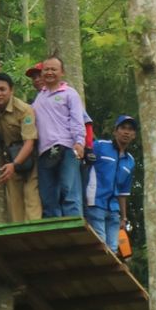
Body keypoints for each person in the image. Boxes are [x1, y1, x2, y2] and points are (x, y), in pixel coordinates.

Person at [0, 72, 42, 221]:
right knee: (14, 205)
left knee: (32, 200)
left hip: (30, 157)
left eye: (2, 89)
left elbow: (29, 142)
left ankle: (35, 237)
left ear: (11, 90)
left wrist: (15, 164)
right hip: (9, 157)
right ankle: (19, 241)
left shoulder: (24, 110)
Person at [32, 56, 86, 217]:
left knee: (69, 190)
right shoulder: (39, 97)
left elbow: (78, 119)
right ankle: (54, 231)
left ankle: (74, 228)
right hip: (44, 152)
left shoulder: (70, 93)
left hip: (67, 147)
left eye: (53, 69)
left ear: (62, 72)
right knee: (48, 196)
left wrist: (79, 142)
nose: (49, 72)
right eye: (46, 69)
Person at [84, 115, 138, 253]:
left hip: (114, 210)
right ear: (115, 131)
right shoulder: (100, 146)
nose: (126, 132)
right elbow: (82, 159)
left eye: (130, 130)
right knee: (100, 244)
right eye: (123, 128)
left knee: (113, 248)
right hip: (95, 202)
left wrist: (124, 217)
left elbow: (123, 192)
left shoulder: (130, 161)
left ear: (134, 135)